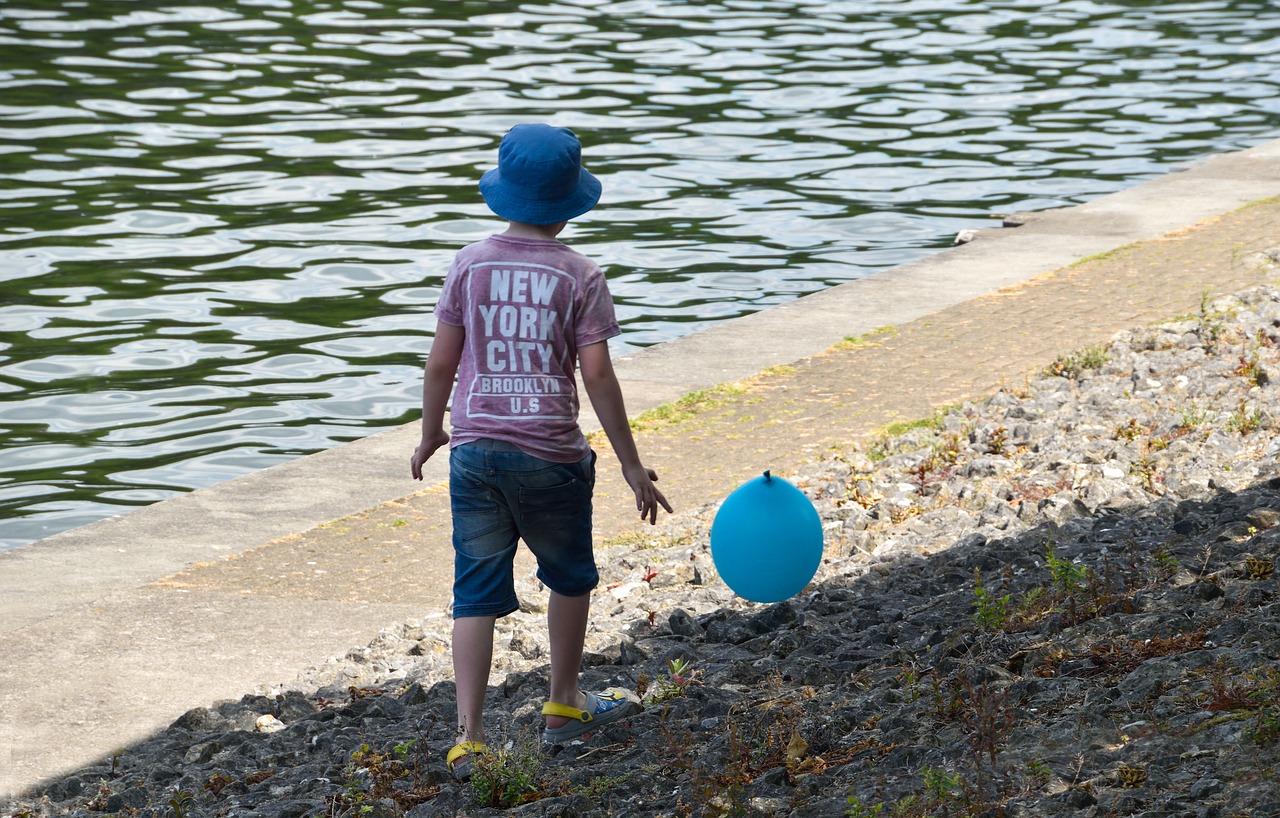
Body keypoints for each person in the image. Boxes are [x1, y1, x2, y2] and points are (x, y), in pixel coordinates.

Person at [409, 123, 673, 781]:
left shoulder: (469, 264)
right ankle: (562, 703)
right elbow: (599, 376)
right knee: (567, 576)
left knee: (473, 593)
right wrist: (630, 463)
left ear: (503, 196)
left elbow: (441, 361)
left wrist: (430, 430)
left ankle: (468, 734)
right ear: (569, 204)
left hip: (474, 455)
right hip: (551, 458)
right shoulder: (581, 275)